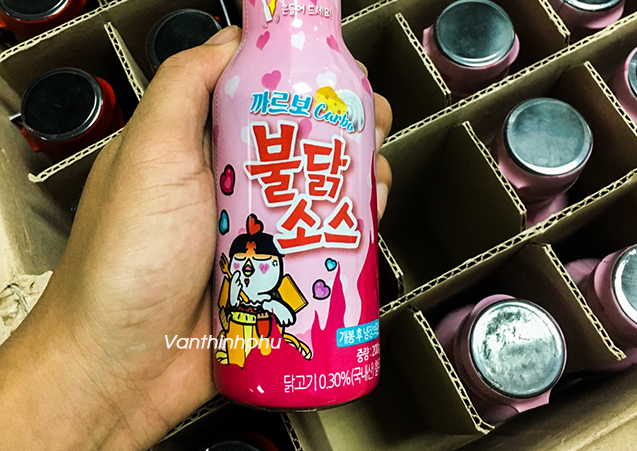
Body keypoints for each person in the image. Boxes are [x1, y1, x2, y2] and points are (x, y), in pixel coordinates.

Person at [0, 25, 393, 450]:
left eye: (259, 264)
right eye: (248, 264)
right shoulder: (243, 77)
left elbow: (284, 300)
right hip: (236, 344)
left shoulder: (276, 285)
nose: (249, 271)